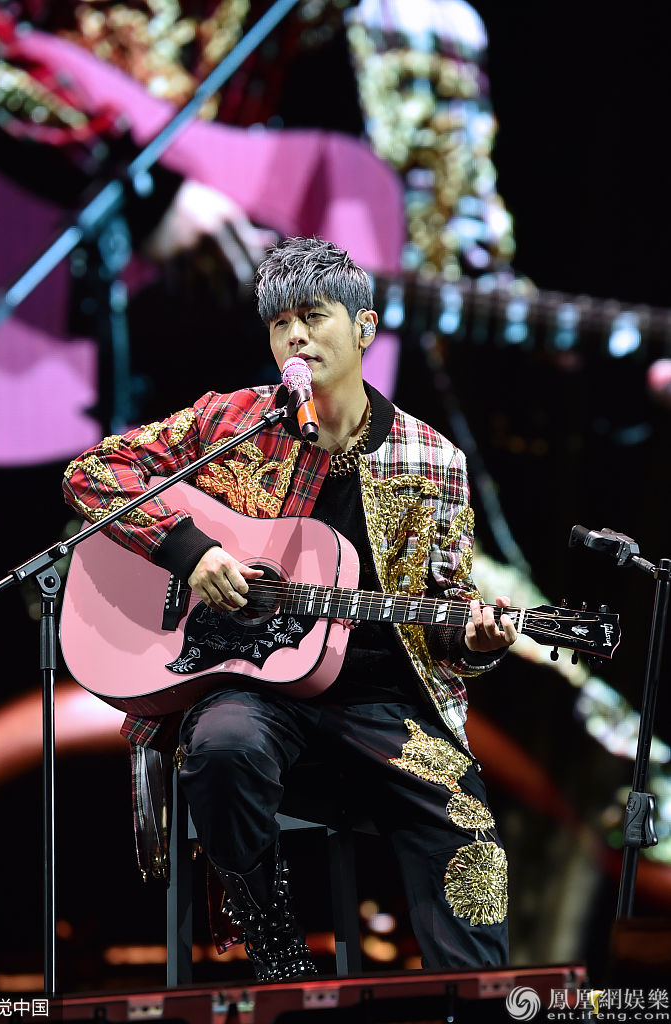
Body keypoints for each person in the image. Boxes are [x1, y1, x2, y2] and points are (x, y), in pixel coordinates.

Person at [63, 235, 517, 981]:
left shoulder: (433, 459)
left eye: (313, 317)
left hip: (382, 703)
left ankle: (477, 999)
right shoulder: (232, 422)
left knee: (463, 824)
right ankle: (273, 948)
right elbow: (95, 472)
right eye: (280, 324)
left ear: (364, 328)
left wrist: (475, 642)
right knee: (222, 748)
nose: (295, 337)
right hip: (253, 689)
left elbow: (444, 614)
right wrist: (191, 553)